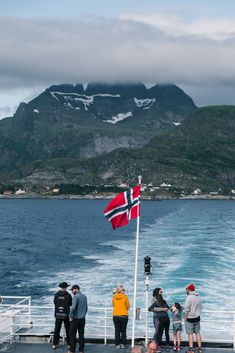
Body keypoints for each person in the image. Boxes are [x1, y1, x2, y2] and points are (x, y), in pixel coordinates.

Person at [148, 288, 170, 353]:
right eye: (160, 292)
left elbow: (166, 307)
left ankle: (156, 344)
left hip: (162, 317)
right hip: (157, 317)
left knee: (159, 332)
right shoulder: (154, 299)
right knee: (157, 332)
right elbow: (152, 309)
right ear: (157, 292)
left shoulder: (162, 300)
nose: (161, 293)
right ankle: (153, 344)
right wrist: (162, 309)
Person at [52, 281, 72, 350]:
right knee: (68, 329)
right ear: (66, 287)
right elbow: (70, 303)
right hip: (66, 315)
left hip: (58, 314)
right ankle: (69, 344)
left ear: (60, 287)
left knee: (57, 329)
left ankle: (54, 344)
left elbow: (54, 302)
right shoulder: (68, 295)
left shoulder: (56, 295)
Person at [68, 284, 88, 353]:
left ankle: (71, 350)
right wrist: (83, 314)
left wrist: (70, 315)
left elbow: (73, 307)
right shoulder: (84, 296)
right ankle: (81, 350)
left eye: (72, 290)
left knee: (72, 335)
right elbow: (86, 308)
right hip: (83, 318)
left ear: (76, 289)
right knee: (81, 335)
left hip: (76, 319)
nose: (72, 291)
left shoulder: (75, 297)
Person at [184, 284, 203, 353]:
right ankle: (200, 348)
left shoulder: (189, 297)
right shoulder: (199, 297)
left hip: (190, 318)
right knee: (198, 333)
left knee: (190, 333)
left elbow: (186, 309)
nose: (186, 290)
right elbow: (201, 307)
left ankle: (191, 349)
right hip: (197, 317)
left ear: (189, 290)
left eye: (186, 289)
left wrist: (185, 317)